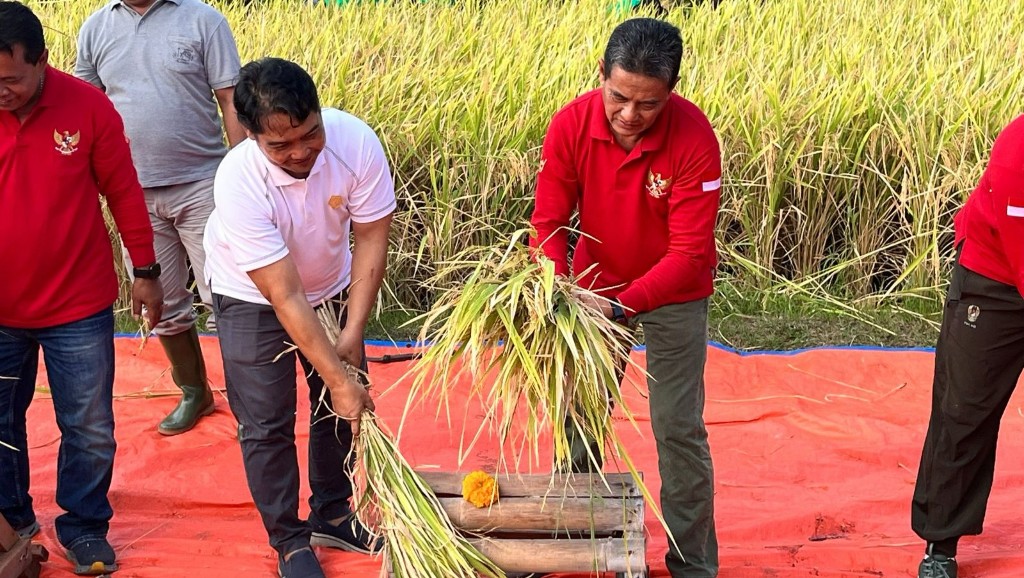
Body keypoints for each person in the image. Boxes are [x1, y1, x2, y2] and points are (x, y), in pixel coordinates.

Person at [530, 17, 721, 578]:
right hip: (591, 286)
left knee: (676, 427)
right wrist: (558, 287)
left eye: (649, 104)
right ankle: (580, 546)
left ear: (673, 91)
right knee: (579, 417)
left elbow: (689, 254)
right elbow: (549, 222)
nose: (630, 115)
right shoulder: (569, 126)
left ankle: (693, 566)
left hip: (673, 293)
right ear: (601, 76)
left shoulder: (694, 139)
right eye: (619, 97)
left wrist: (621, 306)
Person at [203, 57, 394, 578]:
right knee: (266, 420)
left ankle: (332, 512)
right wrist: (337, 375)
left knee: (339, 405)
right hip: (252, 295)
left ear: (318, 112)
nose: (300, 152)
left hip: (331, 286)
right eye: (280, 146)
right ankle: (288, 538)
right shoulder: (239, 180)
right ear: (250, 136)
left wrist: (353, 332)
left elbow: (372, 234)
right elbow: (284, 295)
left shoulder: (354, 143)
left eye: (309, 134)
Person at [0, 2, 163, 574]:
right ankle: (13, 522)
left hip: (77, 303)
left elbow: (123, 191)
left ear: (42, 61)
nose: (1, 92)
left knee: (89, 423)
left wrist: (146, 270)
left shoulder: (87, 107)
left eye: (10, 80)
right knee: (0, 421)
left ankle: (85, 526)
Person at [75, 0, 245, 436]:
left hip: (204, 183)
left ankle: (253, 408)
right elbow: (85, 106)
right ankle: (195, 392)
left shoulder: (204, 20)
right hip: (132, 194)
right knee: (160, 301)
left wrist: (241, 168)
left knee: (228, 298)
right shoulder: (96, 28)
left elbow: (230, 97)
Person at [910, 114, 1024, 578]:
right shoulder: (1019, 149)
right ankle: (941, 545)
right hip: (995, 277)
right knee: (964, 410)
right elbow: (1019, 245)